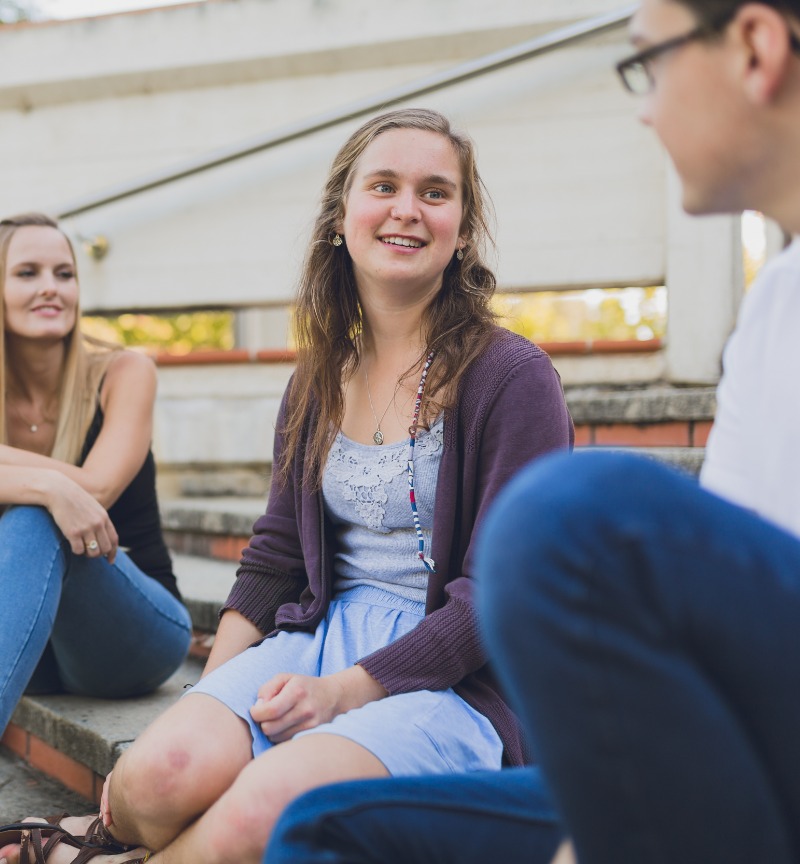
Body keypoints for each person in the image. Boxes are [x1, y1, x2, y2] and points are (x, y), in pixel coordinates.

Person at [259, 2, 800, 864]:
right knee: (315, 834)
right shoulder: (775, 301)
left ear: (756, 47)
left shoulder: (509, 375)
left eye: (648, 64)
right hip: (739, 743)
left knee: (565, 511)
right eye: (385, 187)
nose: (646, 108)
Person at [0, 108, 574, 864]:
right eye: (384, 186)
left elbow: (501, 598)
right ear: (342, 216)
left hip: (454, 678)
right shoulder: (317, 377)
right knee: (151, 780)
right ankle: (117, 840)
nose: (407, 208)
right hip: (318, 637)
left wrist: (345, 692)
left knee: (259, 816)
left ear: (463, 230)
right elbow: (274, 559)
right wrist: (200, 703)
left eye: (436, 193)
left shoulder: (512, 377)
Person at [0, 213, 192, 738]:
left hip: (132, 634)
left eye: (64, 273)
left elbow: (99, 487)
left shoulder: (123, 372)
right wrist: (49, 482)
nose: (50, 288)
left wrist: (44, 487)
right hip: (31, 647)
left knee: (36, 518)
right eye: (27, 273)